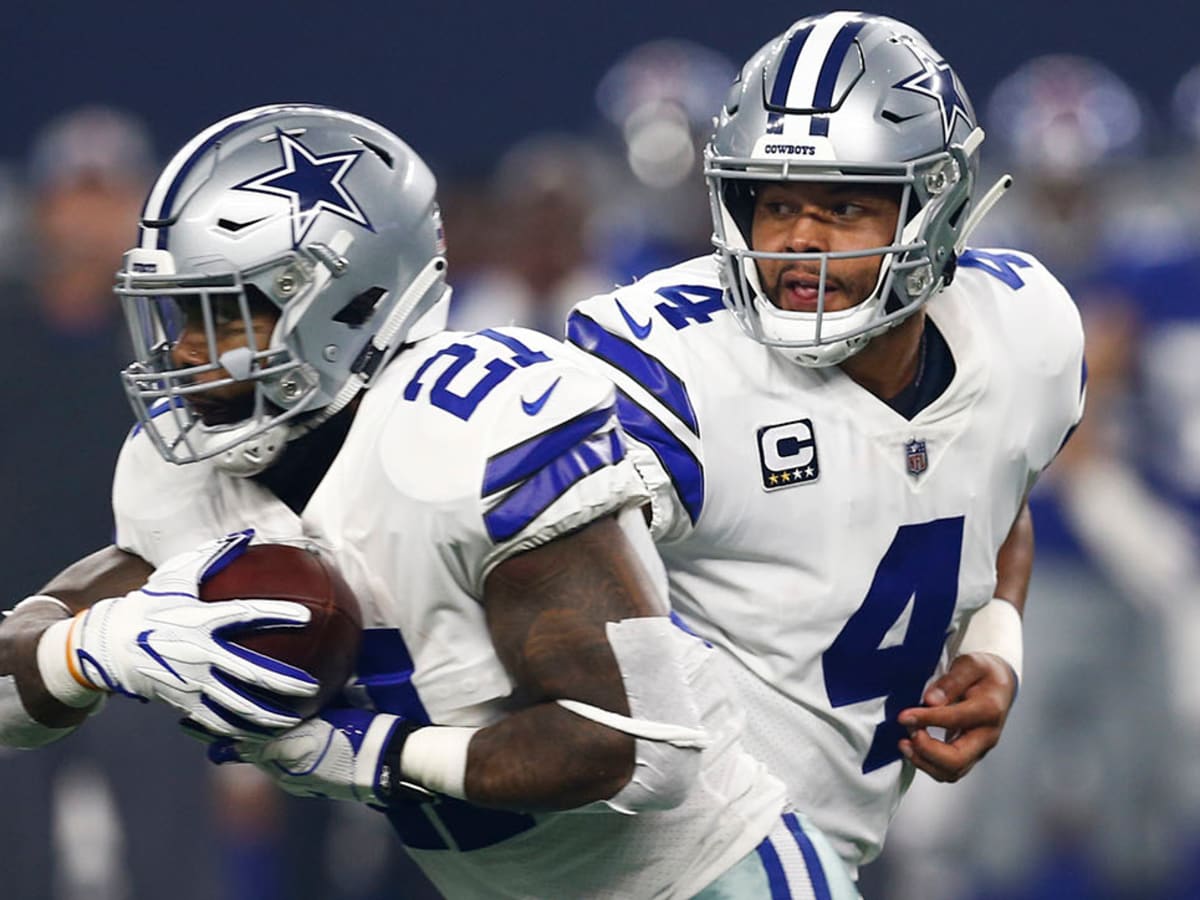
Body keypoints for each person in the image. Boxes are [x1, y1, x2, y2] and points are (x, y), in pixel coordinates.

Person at [0, 103, 857, 899]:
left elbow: (636, 750)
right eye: (175, 314)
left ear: (350, 301)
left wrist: (372, 754)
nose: (185, 355)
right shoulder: (177, 473)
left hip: (708, 878)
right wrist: (91, 647)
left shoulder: (469, 436)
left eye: (225, 316)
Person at [565, 11, 1086, 884]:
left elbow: (1001, 482)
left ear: (940, 204)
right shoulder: (672, 370)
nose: (799, 239)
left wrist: (995, 641)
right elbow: (515, 580)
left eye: (844, 204)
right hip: (660, 851)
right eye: (773, 203)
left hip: (833, 843)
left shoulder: (1025, 331)